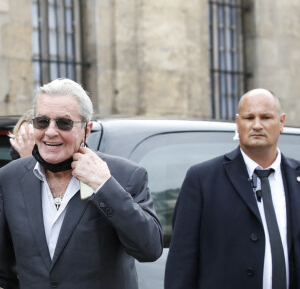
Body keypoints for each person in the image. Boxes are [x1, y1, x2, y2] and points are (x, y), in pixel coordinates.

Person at [0, 78, 163, 289]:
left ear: (87, 129)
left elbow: (149, 249)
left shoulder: (125, 175)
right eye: (42, 121)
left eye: (63, 123)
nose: (50, 131)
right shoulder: (9, 177)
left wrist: (104, 185)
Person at [165, 89, 300, 289]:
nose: (256, 125)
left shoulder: (296, 177)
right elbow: (181, 263)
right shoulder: (202, 179)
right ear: (238, 123)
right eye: (249, 118)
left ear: (281, 122)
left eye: (266, 117)